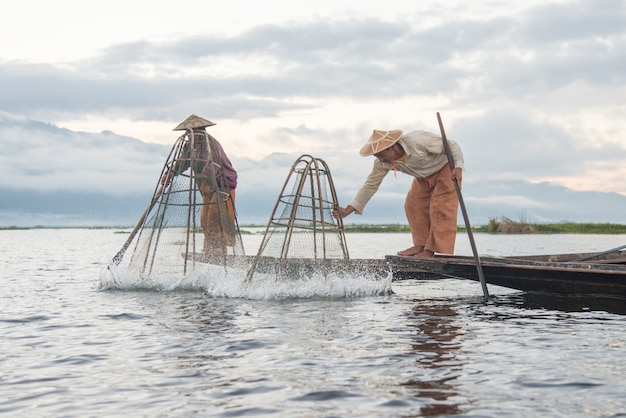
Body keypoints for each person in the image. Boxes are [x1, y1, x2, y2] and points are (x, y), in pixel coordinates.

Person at [333, 129, 463, 258]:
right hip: (422, 176)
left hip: (446, 168)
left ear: (392, 148)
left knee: (440, 208)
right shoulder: (382, 163)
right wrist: (347, 211)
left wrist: (458, 167)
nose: (381, 160)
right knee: (412, 205)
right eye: (377, 157)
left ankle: (430, 251)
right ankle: (420, 245)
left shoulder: (418, 142)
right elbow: (369, 186)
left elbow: (452, 145)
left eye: (380, 155)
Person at [164, 114, 238, 257]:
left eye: (191, 133)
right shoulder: (190, 146)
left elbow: (213, 166)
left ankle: (220, 249)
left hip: (222, 185)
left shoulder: (210, 144)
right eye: (188, 133)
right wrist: (169, 175)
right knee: (205, 220)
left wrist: (204, 176)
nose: (189, 136)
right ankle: (210, 248)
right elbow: (182, 162)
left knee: (216, 217)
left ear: (200, 131)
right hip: (206, 188)